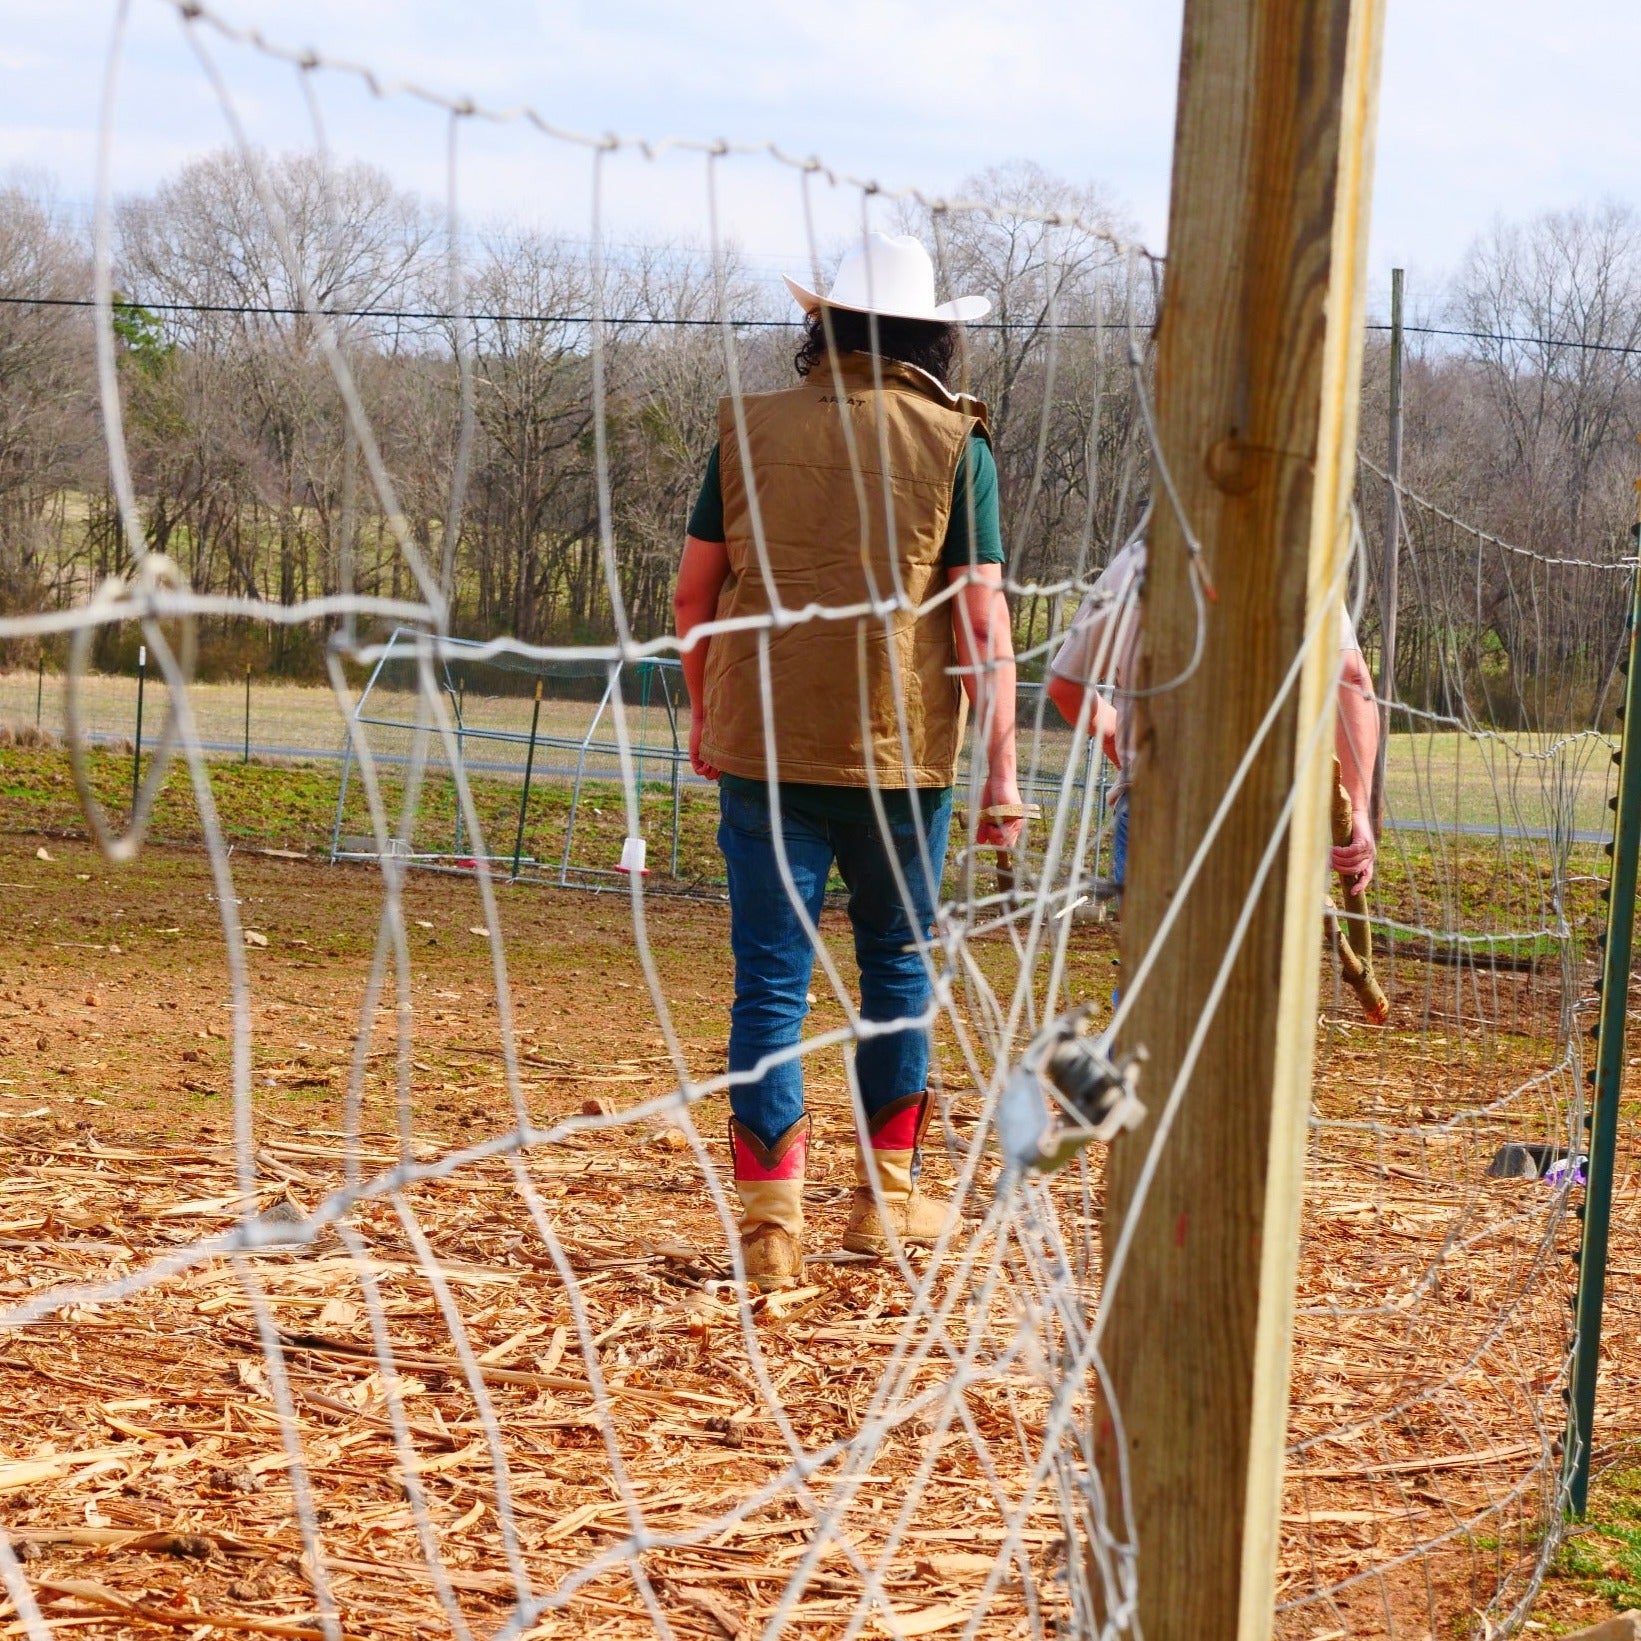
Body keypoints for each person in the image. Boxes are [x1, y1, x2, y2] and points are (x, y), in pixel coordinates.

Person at [673, 231, 1022, 1290]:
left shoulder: (745, 431)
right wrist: (1003, 777)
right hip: (901, 762)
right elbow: (981, 623)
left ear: (822, 323)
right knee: (898, 975)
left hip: (764, 753)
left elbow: (694, 597)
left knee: (769, 984)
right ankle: (886, 1204)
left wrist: (706, 714)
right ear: (932, 336)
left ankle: (770, 1227)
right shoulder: (958, 443)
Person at [1046, 530, 1379, 898]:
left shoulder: (1134, 564)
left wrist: (1122, 743)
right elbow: (1350, 679)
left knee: (1154, 953)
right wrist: (1358, 809)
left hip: (1153, 800)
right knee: (1257, 955)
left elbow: (1066, 688)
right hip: (1266, 809)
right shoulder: (1294, 560)